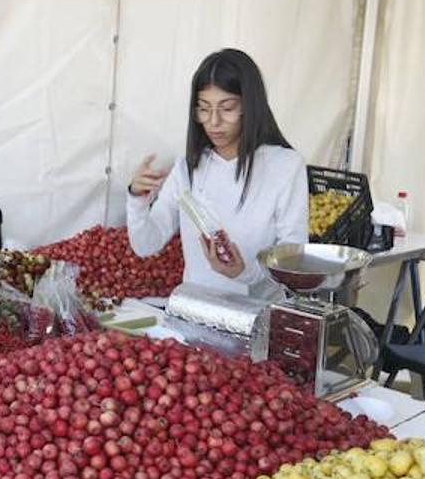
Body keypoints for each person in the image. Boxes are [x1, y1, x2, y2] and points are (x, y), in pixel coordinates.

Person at [127, 48, 307, 296]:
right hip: (194, 315)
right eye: (204, 108)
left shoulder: (284, 166)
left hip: (258, 318)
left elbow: (292, 258)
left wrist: (244, 272)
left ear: (250, 106)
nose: (213, 121)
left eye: (227, 108)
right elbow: (146, 244)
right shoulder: (188, 167)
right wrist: (137, 198)